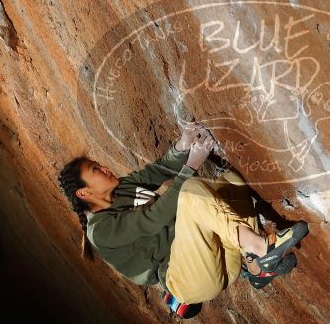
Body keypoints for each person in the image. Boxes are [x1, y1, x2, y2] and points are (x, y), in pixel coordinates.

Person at [57, 122, 308, 314]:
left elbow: (157, 171)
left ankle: (255, 267)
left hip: (218, 261)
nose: (104, 168)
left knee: (229, 182)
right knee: (188, 190)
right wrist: (191, 166)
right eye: (95, 170)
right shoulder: (101, 231)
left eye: (98, 164)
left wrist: (183, 145)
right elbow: (153, 219)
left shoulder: (121, 188)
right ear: (85, 192)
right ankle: (261, 248)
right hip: (189, 281)